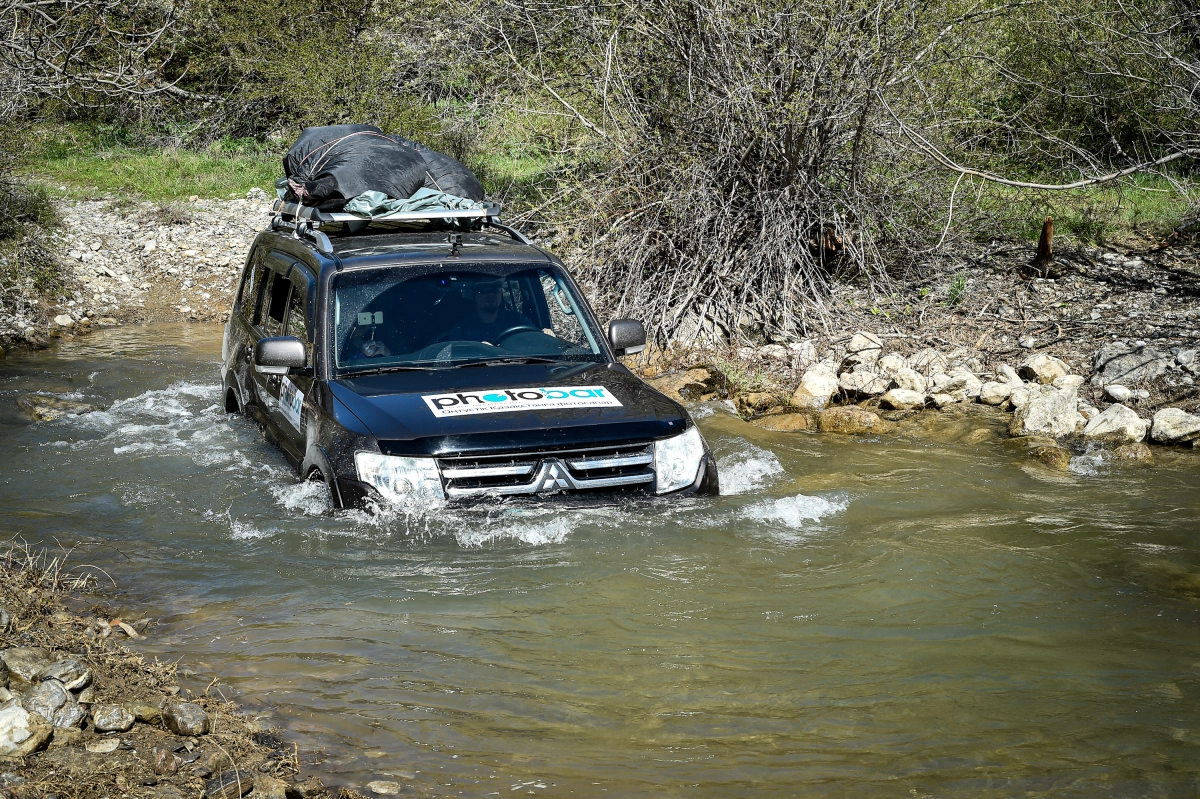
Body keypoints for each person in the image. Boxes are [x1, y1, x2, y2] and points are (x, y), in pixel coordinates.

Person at [443, 276, 534, 345]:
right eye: (483, 290)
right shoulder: (462, 330)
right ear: (473, 295)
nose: (490, 294)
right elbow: (459, 362)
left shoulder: (516, 320)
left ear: (501, 292)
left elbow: (536, 340)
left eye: (495, 289)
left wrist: (544, 335)